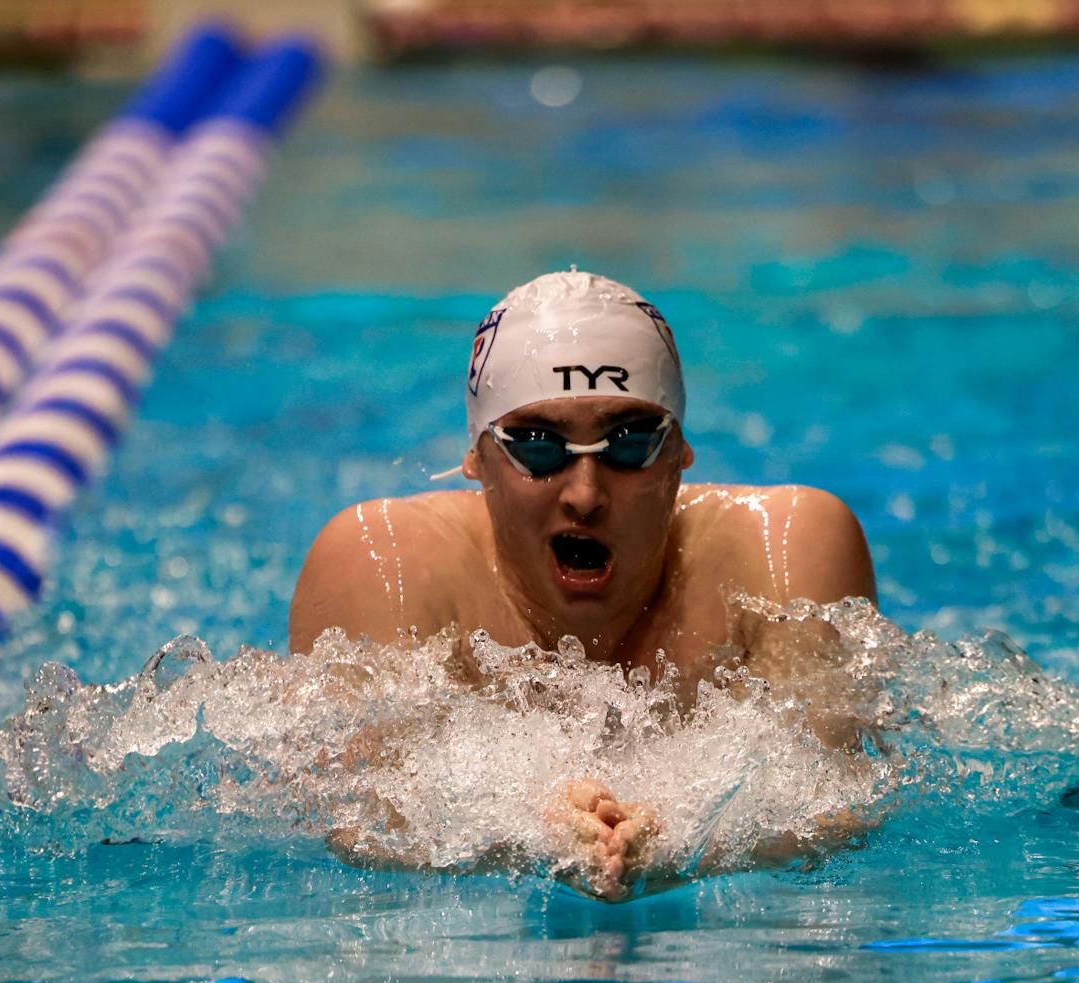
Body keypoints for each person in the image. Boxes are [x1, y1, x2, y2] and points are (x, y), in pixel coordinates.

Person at [289, 270, 878, 898]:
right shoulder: (384, 563)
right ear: (476, 458)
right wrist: (524, 831)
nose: (586, 495)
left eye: (629, 444)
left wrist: (689, 838)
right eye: (539, 447)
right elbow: (354, 822)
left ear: (679, 450)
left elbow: (835, 801)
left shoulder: (785, 550)